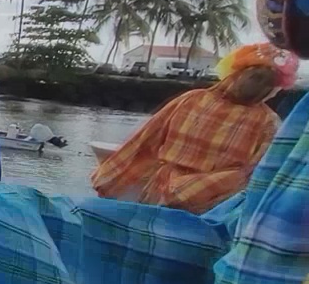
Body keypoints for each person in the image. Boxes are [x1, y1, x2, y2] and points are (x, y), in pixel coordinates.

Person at [92, 44, 292, 214]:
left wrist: (109, 176)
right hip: (213, 204)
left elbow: (145, 139)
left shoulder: (192, 99)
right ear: (273, 90)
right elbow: (256, 172)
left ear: (232, 74)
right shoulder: (268, 121)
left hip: (161, 191)